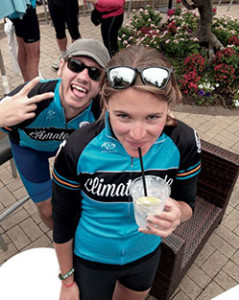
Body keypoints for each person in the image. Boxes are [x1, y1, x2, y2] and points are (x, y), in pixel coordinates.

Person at [52, 44, 202, 300]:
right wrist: (67, 281)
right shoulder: (78, 148)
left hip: (145, 255)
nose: (138, 135)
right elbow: (62, 221)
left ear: (169, 105)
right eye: (123, 116)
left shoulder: (183, 141)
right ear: (106, 102)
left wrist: (178, 213)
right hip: (92, 258)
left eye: (153, 117)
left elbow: (188, 203)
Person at [0, 39, 110, 229]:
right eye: (75, 65)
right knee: (50, 211)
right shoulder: (31, 97)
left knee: (90, 203)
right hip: (30, 150)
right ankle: (64, 243)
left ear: (102, 85)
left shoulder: (102, 108)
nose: (83, 77)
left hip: (72, 151)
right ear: (61, 67)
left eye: (95, 73)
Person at [8, 0, 40, 81]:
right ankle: (33, 90)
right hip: (26, 8)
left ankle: (27, 84)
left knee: (22, 47)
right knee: (33, 55)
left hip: (14, 10)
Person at [48, 0, 81, 70]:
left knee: (74, 31)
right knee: (59, 31)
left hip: (69, 2)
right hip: (53, 2)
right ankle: (64, 56)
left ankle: (76, 57)